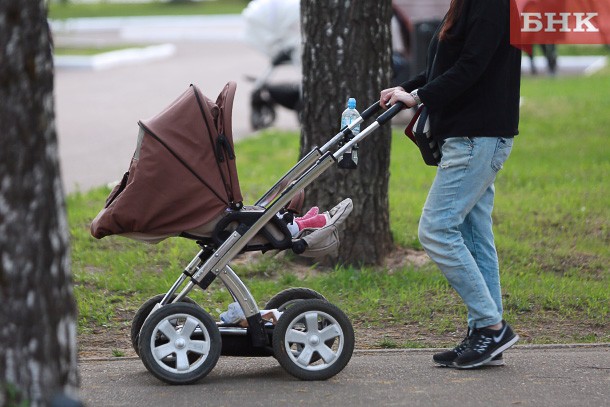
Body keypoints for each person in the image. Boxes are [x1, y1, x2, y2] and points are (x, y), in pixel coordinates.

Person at [380, 0, 521, 369]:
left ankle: (491, 327)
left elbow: (472, 67)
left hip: (477, 135)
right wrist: (406, 87)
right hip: (470, 135)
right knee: (474, 235)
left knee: (437, 229)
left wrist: (419, 97)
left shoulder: (492, 5)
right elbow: (445, 66)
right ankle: (485, 335)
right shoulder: (467, 4)